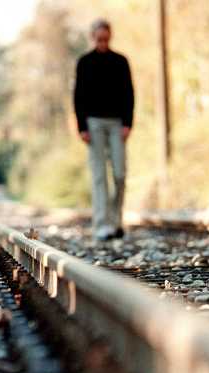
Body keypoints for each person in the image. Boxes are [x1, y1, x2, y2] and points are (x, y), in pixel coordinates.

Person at [74, 18, 134, 241]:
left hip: (118, 123)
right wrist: (82, 127)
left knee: (119, 173)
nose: (103, 43)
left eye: (106, 39)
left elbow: (129, 94)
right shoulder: (84, 62)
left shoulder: (121, 61)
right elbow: (78, 96)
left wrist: (128, 123)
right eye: (99, 39)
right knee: (99, 176)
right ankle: (101, 224)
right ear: (93, 38)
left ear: (111, 37)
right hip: (93, 124)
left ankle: (117, 222)